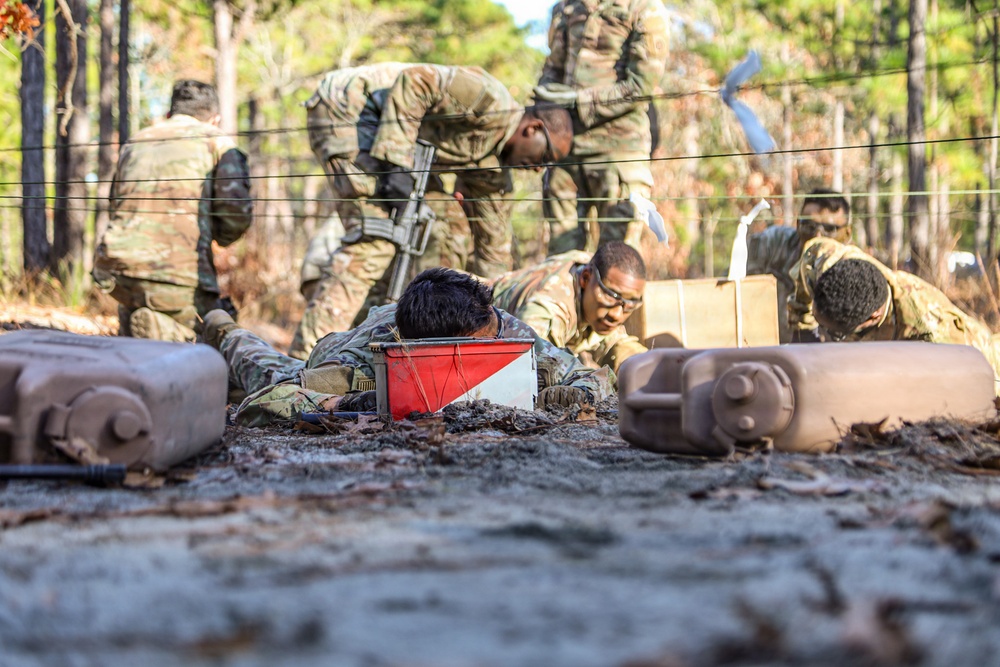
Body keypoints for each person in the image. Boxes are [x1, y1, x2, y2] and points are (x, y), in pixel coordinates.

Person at [292, 63, 574, 359]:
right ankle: (305, 361)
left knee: (444, 230)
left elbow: (494, 250)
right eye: (546, 156)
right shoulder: (490, 101)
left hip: (401, 143)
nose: (540, 168)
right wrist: (396, 161)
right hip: (351, 108)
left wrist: (491, 319)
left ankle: (375, 349)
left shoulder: (491, 172)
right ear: (533, 129)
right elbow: (417, 80)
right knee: (376, 241)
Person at [205, 268, 615, 427]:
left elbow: (588, 374)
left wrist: (576, 392)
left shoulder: (498, 324)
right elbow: (267, 400)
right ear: (425, 348)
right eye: (480, 346)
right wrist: (346, 403)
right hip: (332, 358)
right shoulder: (367, 355)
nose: (496, 342)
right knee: (258, 364)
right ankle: (220, 326)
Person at [93, 80, 252, 342]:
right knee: (206, 341)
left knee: (141, 304)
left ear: (169, 114)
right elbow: (234, 217)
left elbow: (116, 204)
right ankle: (163, 332)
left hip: (116, 270)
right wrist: (219, 236)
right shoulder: (217, 142)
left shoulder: (136, 141)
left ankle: (139, 323)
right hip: (179, 277)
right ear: (215, 118)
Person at [534, 0, 670, 258]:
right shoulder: (566, 7)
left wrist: (578, 100)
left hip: (618, 152)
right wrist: (543, 109)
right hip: (567, 150)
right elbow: (553, 70)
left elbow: (640, 87)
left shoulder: (645, 9)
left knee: (618, 261)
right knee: (561, 260)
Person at [793, 237, 1000, 392]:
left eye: (834, 333)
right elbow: (812, 252)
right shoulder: (825, 261)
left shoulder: (934, 334)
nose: (822, 333)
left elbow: (980, 384)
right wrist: (803, 328)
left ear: (874, 316)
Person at [492, 241, 648, 373]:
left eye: (630, 303)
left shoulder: (601, 281)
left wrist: (649, 366)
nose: (617, 314)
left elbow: (616, 344)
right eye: (611, 296)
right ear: (586, 279)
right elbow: (536, 365)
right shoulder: (549, 307)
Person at [745, 189, 851, 343]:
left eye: (829, 229)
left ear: (847, 234)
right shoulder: (774, 244)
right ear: (798, 224)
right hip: (764, 347)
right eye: (809, 226)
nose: (817, 236)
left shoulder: (854, 270)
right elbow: (737, 288)